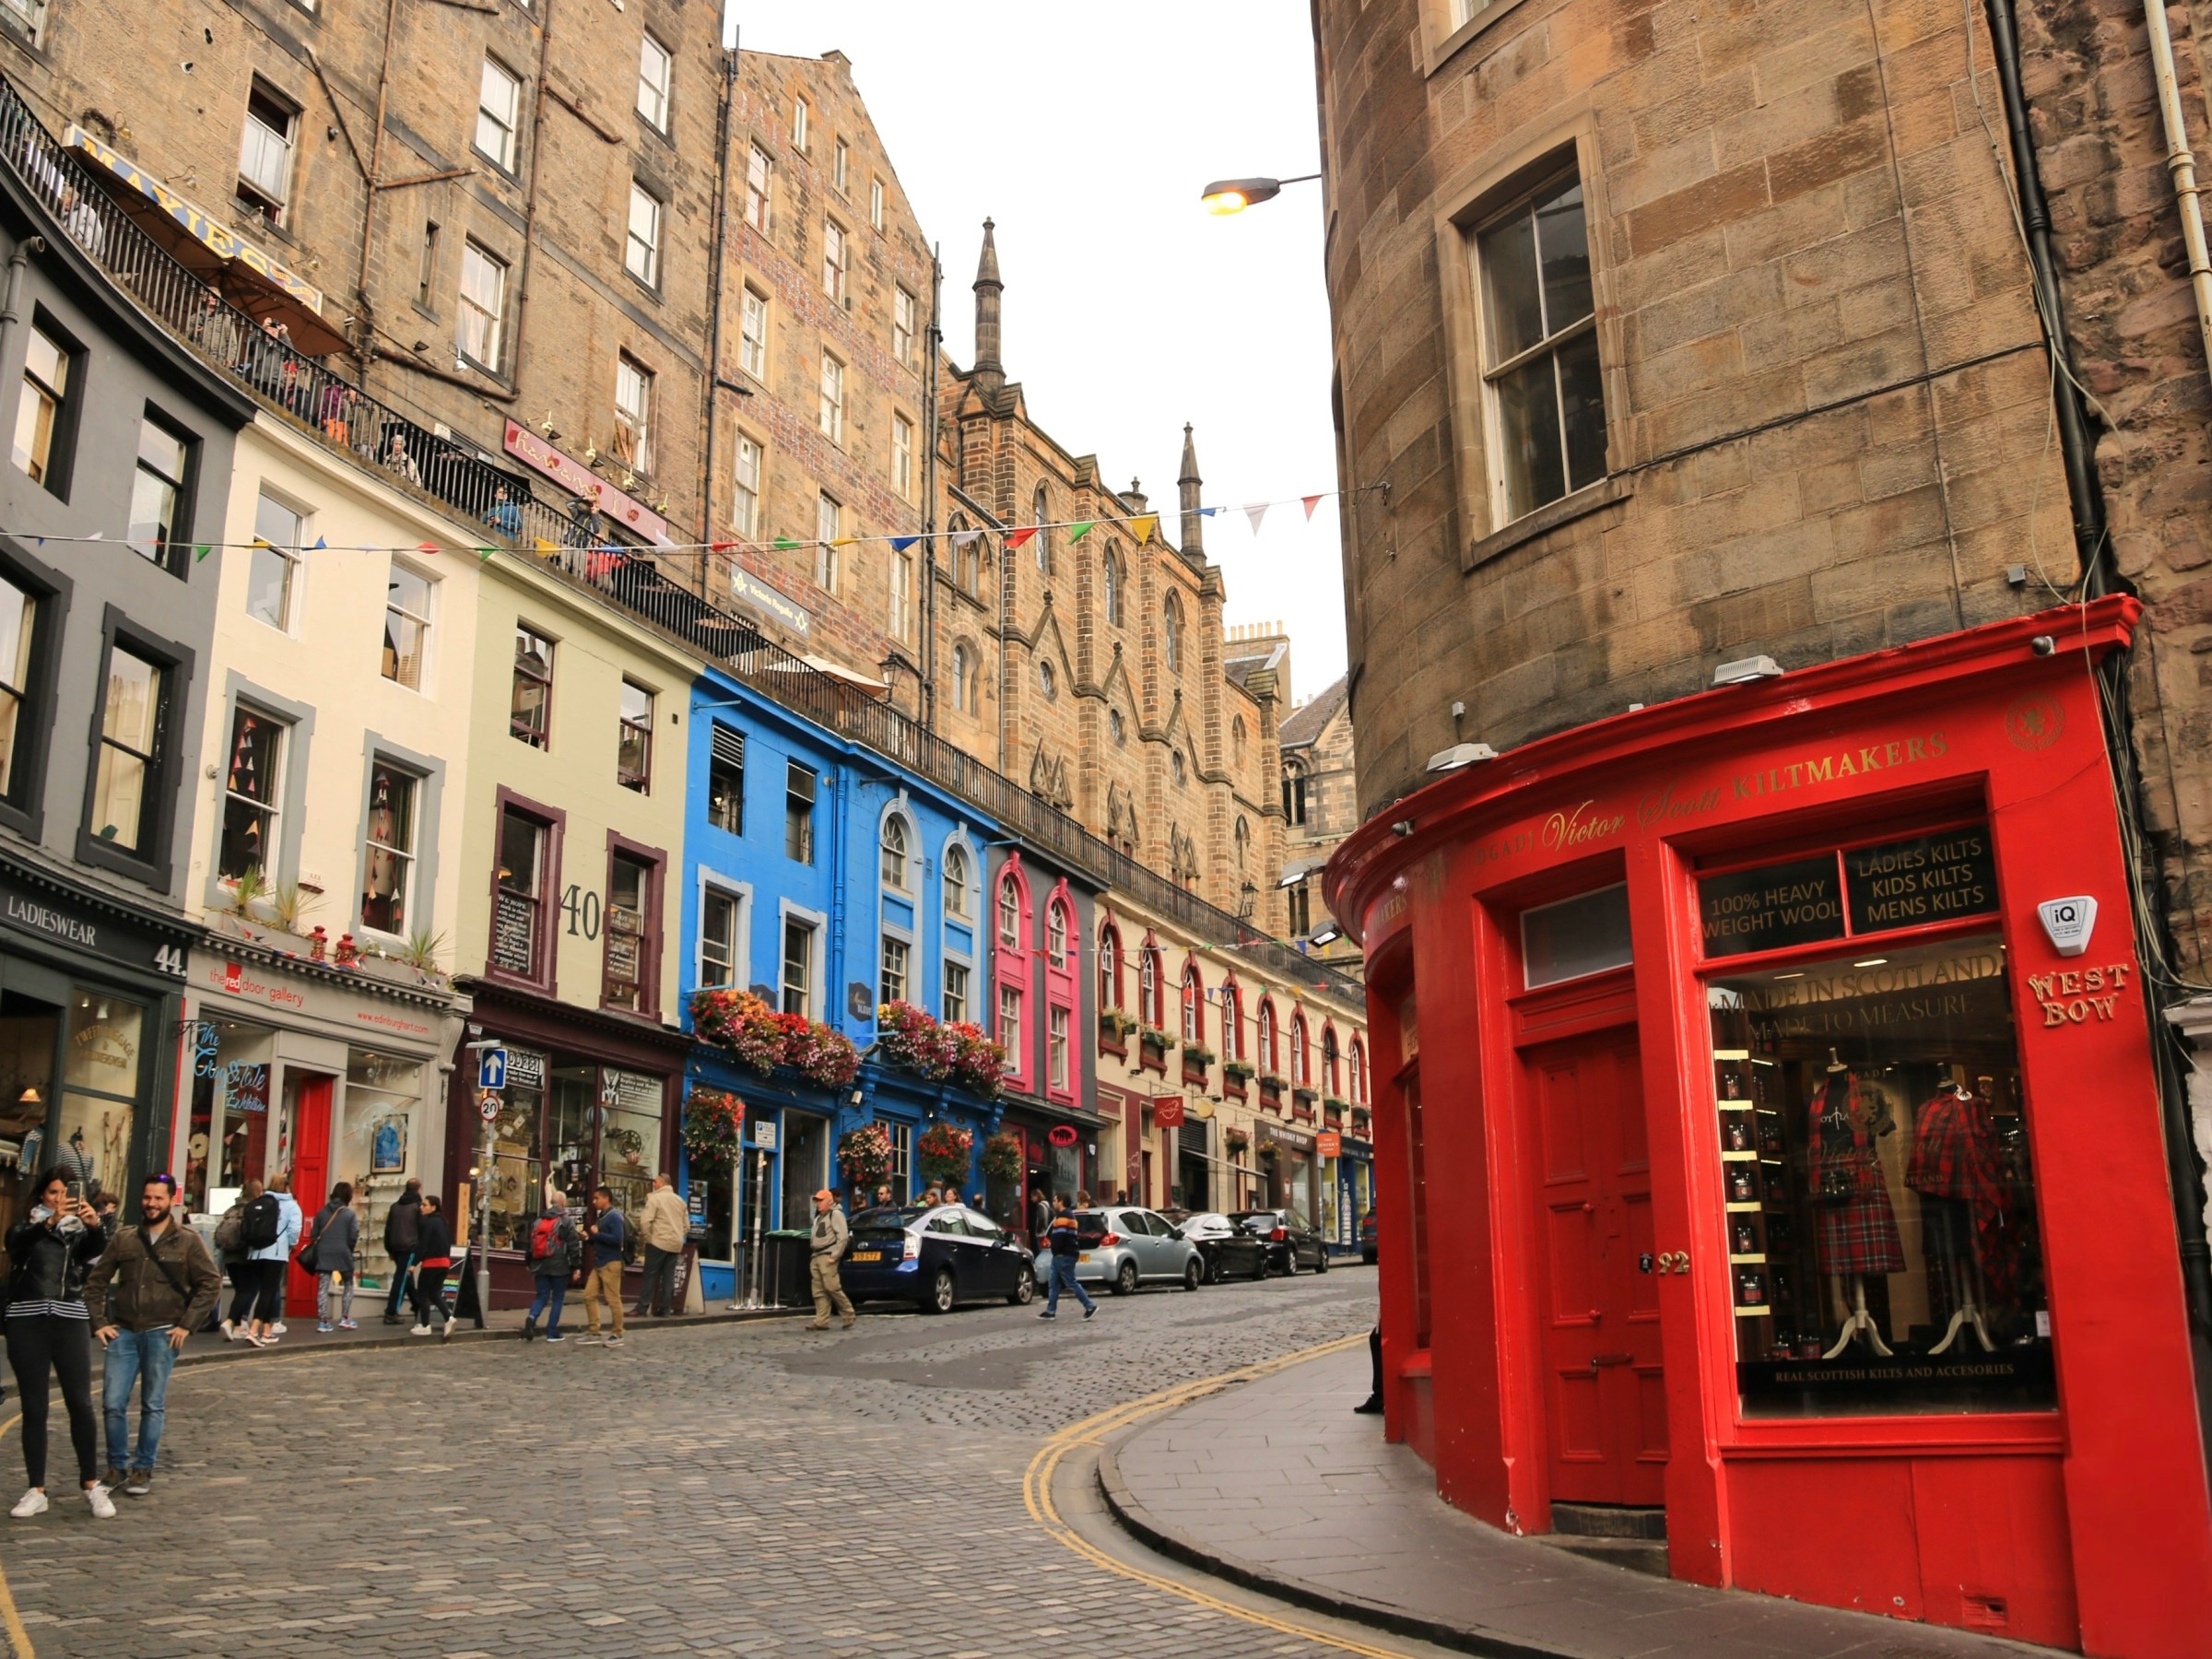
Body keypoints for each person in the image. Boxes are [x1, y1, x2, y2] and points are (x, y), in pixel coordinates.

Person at [86, 1173, 221, 1498]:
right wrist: (99, 1322)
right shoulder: (125, 1238)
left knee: (152, 1404)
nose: (151, 1204)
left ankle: (143, 1468)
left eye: (158, 1198)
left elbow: (211, 1283)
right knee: (112, 1403)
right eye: (147, 1198)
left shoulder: (187, 1241)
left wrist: (188, 1324)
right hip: (125, 1333)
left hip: (163, 1333)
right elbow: (96, 1281)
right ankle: (117, 1466)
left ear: (171, 1201)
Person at [6, 1169, 114, 1518]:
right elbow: (16, 1245)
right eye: (52, 1192)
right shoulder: (27, 1227)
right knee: (34, 1407)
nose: (58, 1199)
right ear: (41, 1196)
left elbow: (97, 1255)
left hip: (69, 1319)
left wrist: (95, 1225)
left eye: (65, 1193)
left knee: (80, 1403)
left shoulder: (79, 1232)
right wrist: (50, 1222)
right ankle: (36, 1489)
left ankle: (92, 1484)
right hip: (28, 1321)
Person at [247, 1171, 301, 1344]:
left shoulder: (260, 1202)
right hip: (276, 1253)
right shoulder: (291, 1206)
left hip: (256, 1252)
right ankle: (254, 1330)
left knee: (264, 1291)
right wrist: (291, 1244)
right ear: (286, 1187)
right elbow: (294, 1230)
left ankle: (267, 1332)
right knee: (268, 1292)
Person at [305, 1182, 360, 1332]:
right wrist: (348, 1249)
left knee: (323, 1286)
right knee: (348, 1284)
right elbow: (353, 1236)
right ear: (348, 1196)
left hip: (324, 1253)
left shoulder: (321, 1213)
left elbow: (313, 1235)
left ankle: (323, 1321)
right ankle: (345, 1317)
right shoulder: (349, 1214)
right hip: (343, 1252)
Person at [522, 1198, 578, 1343]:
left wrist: (528, 1262)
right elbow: (573, 1245)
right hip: (559, 1266)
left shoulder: (538, 1221)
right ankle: (551, 1332)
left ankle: (532, 1318)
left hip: (539, 1264)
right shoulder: (566, 1221)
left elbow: (530, 1243)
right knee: (558, 1298)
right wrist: (576, 1266)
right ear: (563, 1203)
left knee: (541, 1296)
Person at [578, 1186, 628, 1346]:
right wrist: (588, 1239)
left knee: (613, 1299)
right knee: (588, 1295)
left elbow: (617, 1239)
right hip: (599, 1262)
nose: (594, 1201)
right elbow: (599, 1239)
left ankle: (618, 1334)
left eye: (597, 1198)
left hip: (611, 1262)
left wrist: (597, 1234)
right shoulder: (602, 1216)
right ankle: (594, 1331)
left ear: (606, 1198)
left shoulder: (614, 1216)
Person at [217, 1179, 262, 1344]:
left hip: (229, 1255)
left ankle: (237, 1327)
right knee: (246, 1290)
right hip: (245, 1255)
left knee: (240, 1290)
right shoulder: (253, 1210)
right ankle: (230, 1322)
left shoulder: (231, 1209)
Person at [1039, 1194, 1096, 1322]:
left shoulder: (1064, 1217)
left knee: (1071, 1282)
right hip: (1062, 1255)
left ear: (1061, 1202)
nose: (1053, 1203)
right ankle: (1050, 1310)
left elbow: (1060, 1237)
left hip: (1063, 1255)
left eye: (1055, 1200)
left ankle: (1089, 1306)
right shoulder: (1067, 1215)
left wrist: (1057, 1251)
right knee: (1053, 1283)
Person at [635, 1172, 686, 1318]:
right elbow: (686, 1225)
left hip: (658, 1241)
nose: (654, 1184)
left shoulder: (655, 1198)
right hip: (675, 1244)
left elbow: (645, 1222)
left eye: (656, 1182)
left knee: (650, 1275)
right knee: (669, 1276)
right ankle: (665, 1309)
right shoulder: (680, 1201)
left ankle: (642, 1307)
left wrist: (648, 1238)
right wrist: (678, 1236)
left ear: (662, 1183)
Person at [806, 1189, 854, 1332]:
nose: (818, 1204)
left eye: (820, 1201)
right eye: (817, 1201)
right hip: (816, 1255)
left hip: (828, 1255)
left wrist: (835, 1255)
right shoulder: (819, 1218)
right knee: (818, 1290)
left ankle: (848, 1314)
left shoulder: (836, 1214)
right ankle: (821, 1320)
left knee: (832, 1287)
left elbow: (843, 1237)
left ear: (829, 1201)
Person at [410, 1194, 455, 1340]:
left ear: (433, 1207)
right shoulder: (443, 1222)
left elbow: (423, 1245)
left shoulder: (427, 1223)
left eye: (425, 1205)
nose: (421, 1207)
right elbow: (449, 1242)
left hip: (431, 1263)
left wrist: (413, 1264)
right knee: (434, 1293)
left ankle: (425, 1325)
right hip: (444, 1263)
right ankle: (449, 1318)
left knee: (422, 1293)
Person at [382, 1178, 422, 1325]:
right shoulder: (417, 1207)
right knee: (401, 1280)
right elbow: (420, 1229)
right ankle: (391, 1312)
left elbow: (388, 1229)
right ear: (418, 1190)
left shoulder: (395, 1207)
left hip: (396, 1246)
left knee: (406, 1278)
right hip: (409, 1247)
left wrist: (389, 1247)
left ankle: (417, 1305)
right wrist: (420, 1249)